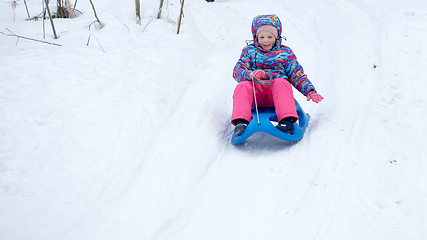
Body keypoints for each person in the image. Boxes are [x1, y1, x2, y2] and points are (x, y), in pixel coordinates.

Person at [232, 14, 323, 136]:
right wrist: (251, 74)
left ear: (277, 36)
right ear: (256, 37)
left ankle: (286, 120)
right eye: (262, 37)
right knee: (242, 86)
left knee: (281, 82)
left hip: (277, 98)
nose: (265, 40)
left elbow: (296, 74)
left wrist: (310, 90)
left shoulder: (285, 53)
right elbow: (237, 70)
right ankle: (241, 121)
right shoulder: (249, 51)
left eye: (270, 36)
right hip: (255, 96)